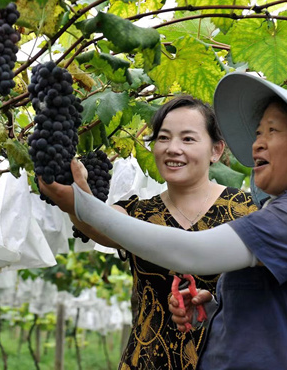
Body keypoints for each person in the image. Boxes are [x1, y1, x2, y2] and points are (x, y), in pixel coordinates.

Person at [39, 73, 287, 370]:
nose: (257, 142)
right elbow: (270, 319)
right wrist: (211, 312)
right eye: (258, 131)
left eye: (274, 131)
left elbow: (191, 254)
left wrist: (83, 204)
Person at [69, 95, 256, 369]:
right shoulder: (138, 213)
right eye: (164, 138)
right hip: (145, 360)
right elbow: (97, 224)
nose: (173, 149)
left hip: (227, 361)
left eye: (188, 139)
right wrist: (77, 191)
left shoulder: (248, 211)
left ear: (216, 150)